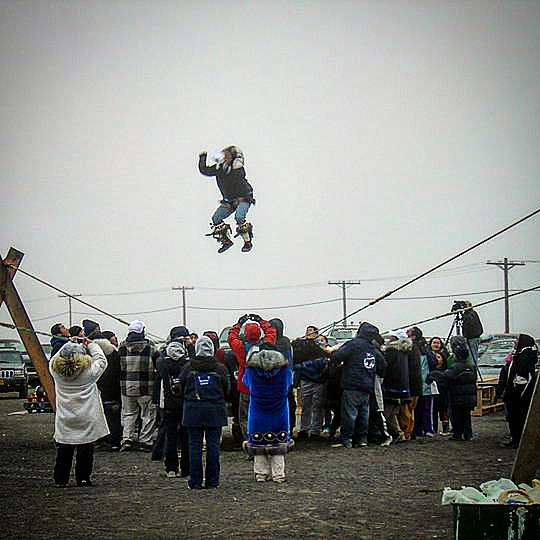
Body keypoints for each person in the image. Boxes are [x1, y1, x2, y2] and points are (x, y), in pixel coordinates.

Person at [49, 338, 109, 487]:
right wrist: (91, 344)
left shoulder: (55, 371)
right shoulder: (89, 373)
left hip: (65, 416)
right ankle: (83, 478)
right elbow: (102, 360)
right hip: (87, 415)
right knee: (86, 449)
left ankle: (61, 479)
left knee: (64, 448)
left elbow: (54, 358)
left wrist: (69, 343)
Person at [180, 336, 229, 489]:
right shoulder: (220, 368)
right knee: (213, 447)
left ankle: (195, 481)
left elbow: (181, 387)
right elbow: (227, 389)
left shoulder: (188, 368)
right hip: (215, 411)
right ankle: (212, 481)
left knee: (194, 447)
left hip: (193, 411)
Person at [242, 336, 293, 482]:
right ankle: (278, 474)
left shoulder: (251, 370)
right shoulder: (285, 370)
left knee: (258, 443)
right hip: (279, 411)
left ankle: (261, 473)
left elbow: (245, 383)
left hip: (257, 411)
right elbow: (289, 383)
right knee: (278, 443)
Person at [330, 322, 385, 449]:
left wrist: (333, 355)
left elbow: (337, 356)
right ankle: (362, 440)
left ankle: (347, 440)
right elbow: (383, 365)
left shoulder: (354, 344)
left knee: (349, 414)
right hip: (367, 386)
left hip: (352, 385)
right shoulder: (372, 348)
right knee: (363, 415)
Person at [228, 314, 277, 441]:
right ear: (259, 333)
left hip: (246, 387)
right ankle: (263, 439)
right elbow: (272, 332)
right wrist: (261, 321)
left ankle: (250, 440)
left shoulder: (240, 347)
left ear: (245, 334)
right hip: (262, 387)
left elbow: (231, 336)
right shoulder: (266, 345)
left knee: (245, 417)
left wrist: (239, 324)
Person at [198, 146, 255, 253]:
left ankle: (247, 242)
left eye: (226, 156)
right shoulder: (220, 169)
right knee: (216, 218)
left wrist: (232, 161)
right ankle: (226, 241)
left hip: (244, 198)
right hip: (229, 201)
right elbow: (205, 170)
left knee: (239, 216)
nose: (224, 158)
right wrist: (202, 158)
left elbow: (238, 171)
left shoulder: (237, 167)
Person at [118, 320, 159, 452]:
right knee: (148, 415)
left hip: (127, 387)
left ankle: (127, 439)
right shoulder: (150, 348)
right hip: (147, 387)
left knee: (128, 414)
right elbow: (158, 364)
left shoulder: (122, 348)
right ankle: (145, 441)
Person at [156, 326, 191, 477]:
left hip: (168, 403)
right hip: (185, 403)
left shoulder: (162, 362)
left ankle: (171, 468)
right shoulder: (188, 363)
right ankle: (186, 468)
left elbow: (158, 361)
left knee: (170, 437)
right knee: (186, 437)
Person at [427, 336, 477, 441]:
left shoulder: (456, 367)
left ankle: (457, 434)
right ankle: (468, 435)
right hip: (469, 397)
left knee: (457, 416)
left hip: (457, 396)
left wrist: (433, 374)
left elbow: (445, 377)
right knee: (466, 416)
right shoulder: (471, 366)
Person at [499, 334, 537, 448]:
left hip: (519, 396)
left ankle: (517, 441)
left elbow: (522, 379)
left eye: (517, 339)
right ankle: (515, 439)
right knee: (513, 418)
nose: (515, 342)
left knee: (518, 418)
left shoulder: (524, 358)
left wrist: (516, 394)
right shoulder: (519, 355)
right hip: (514, 393)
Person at [294, 326, 328, 440]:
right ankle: (304, 429)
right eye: (307, 331)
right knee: (305, 406)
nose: (308, 333)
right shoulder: (302, 346)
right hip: (305, 380)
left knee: (317, 406)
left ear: (316, 334)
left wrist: (302, 366)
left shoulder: (321, 347)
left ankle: (315, 430)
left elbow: (322, 362)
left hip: (318, 381)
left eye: (311, 331)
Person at [94, 329, 122, 451]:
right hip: (113, 390)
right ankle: (115, 441)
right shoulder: (114, 353)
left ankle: (98, 440)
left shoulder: (90, 354)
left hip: (96, 390)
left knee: (98, 416)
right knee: (113, 417)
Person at [382, 330, 411, 443]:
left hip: (391, 387)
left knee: (386, 413)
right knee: (392, 413)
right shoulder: (404, 351)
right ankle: (399, 433)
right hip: (402, 387)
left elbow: (385, 366)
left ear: (395, 338)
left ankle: (395, 434)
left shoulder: (391, 351)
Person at [269, 318, 296, 437]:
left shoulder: (281, 342)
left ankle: (285, 430)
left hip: (280, 380)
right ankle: (287, 430)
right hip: (286, 379)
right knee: (287, 406)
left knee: (284, 407)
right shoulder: (285, 341)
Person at [397, 327, 423, 440]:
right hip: (416, 384)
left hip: (410, 385)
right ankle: (411, 432)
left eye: (408, 332)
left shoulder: (409, 348)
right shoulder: (416, 348)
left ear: (413, 336)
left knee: (405, 410)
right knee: (410, 410)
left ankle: (407, 432)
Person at [411, 328, 437, 438]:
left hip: (422, 384)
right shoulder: (426, 350)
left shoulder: (416, 350)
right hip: (424, 384)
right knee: (425, 409)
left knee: (420, 409)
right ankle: (426, 429)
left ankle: (421, 429)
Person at [429, 337, 450, 435]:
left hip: (443, 388)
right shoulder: (429, 356)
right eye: (434, 342)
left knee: (443, 408)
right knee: (433, 409)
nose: (436, 345)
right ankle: (434, 428)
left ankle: (446, 428)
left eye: (438, 343)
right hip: (433, 386)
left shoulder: (445, 356)